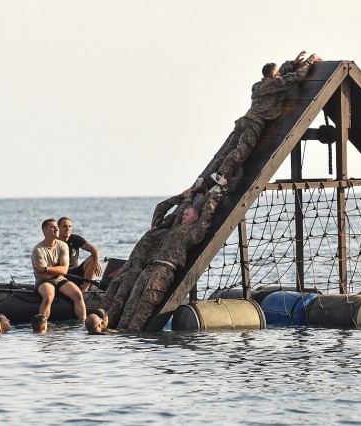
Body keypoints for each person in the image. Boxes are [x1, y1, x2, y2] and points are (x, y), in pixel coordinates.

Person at [207, 51, 321, 187]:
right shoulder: (275, 83)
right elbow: (298, 76)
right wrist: (310, 61)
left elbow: (278, 75)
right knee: (242, 150)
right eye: (277, 72)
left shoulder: (258, 85)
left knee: (229, 149)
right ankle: (221, 175)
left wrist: (293, 63)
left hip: (243, 121)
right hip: (254, 123)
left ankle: (209, 176)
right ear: (273, 75)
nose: (280, 73)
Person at [118, 185, 224, 332]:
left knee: (145, 304)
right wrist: (190, 195)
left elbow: (206, 214)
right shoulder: (174, 227)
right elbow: (180, 208)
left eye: (187, 214)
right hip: (151, 267)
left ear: (195, 218)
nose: (183, 215)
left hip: (164, 271)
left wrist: (216, 193)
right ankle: (121, 330)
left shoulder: (193, 232)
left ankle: (133, 332)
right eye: (184, 213)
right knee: (132, 302)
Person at [100, 187, 199, 328]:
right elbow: (160, 208)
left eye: (169, 218)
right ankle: (99, 319)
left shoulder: (169, 234)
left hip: (140, 267)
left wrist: (189, 198)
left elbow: (180, 216)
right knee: (111, 290)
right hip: (130, 263)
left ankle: (110, 325)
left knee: (120, 298)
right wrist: (181, 196)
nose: (166, 217)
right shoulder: (156, 227)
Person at [31, 218, 87, 322]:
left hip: (60, 279)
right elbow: (43, 276)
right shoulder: (38, 250)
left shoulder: (62, 246)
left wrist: (46, 269)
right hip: (43, 281)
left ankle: (83, 324)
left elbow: (64, 270)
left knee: (78, 294)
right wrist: (56, 270)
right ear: (45, 231)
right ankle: (41, 325)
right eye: (52, 227)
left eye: (56, 227)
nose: (56, 229)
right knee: (48, 297)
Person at [57, 216, 102, 291]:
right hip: (61, 274)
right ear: (58, 228)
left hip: (75, 274)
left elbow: (94, 249)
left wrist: (96, 261)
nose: (68, 228)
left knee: (93, 258)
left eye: (70, 226)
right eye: (64, 226)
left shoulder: (75, 239)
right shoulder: (54, 242)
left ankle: (84, 291)